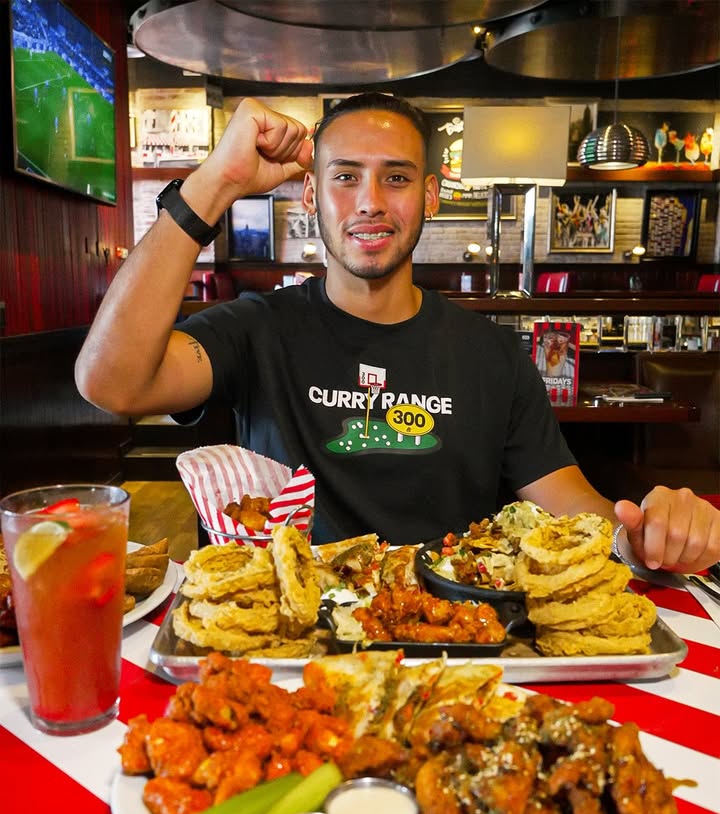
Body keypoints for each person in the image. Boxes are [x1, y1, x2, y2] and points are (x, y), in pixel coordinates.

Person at [75, 93, 720, 572]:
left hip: (454, 642)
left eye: (397, 177)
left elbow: (571, 504)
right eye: (345, 176)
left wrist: (651, 532)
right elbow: (110, 383)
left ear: (431, 196)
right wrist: (214, 184)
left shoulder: (492, 356)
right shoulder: (257, 327)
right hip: (294, 645)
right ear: (310, 194)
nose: (370, 201)